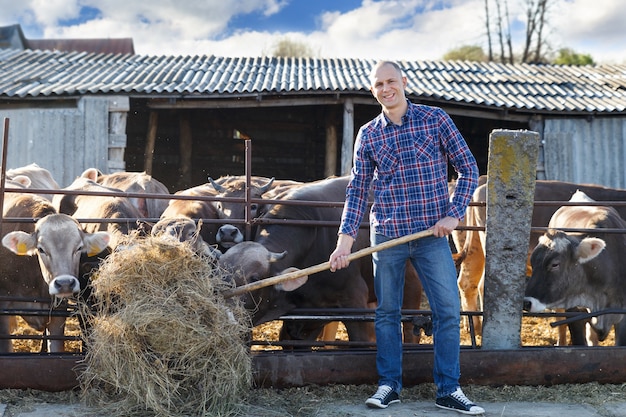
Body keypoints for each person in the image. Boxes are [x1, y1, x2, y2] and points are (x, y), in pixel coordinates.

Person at [329, 60, 484, 415]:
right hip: (388, 233)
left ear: (403, 82)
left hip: (431, 234)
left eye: (391, 81)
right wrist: (345, 240)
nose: (386, 88)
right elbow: (357, 190)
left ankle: (448, 389)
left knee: (447, 310)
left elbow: (468, 168)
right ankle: (389, 386)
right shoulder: (369, 134)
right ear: (373, 90)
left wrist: (454, 213)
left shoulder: (435, 119)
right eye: (379, 84)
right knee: (386, 312)